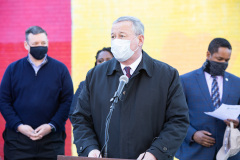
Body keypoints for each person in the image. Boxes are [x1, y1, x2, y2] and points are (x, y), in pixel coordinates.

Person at [72, 16, 189, 160]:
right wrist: (90, 148)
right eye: (113, 36)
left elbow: (178, 121)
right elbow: (80, 118)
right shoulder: (95, 75)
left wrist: (155, 153)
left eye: (122, 36)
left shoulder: (167, 75)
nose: (116, 41)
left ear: (140, 40)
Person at [0, 26, 73, 160]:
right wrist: (19, 126)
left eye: (43, 43)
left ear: (48, 42)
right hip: (17, 144)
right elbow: (3, 101)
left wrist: (51, 125)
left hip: (51, 143)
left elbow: (68, 101)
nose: (40, 47)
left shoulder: (60, 69)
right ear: (26, 45)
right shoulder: (12, 70)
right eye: (35, 44)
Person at [175, 38, 240, 160]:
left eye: (227, 60)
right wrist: (192, 134)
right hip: (194, 153)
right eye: (219, 59)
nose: (223, 63)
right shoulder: (185, 81)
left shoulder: (237, 83)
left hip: (229, 155)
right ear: (208, 54)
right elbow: (174, 115)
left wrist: (238, 123)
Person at [69, 47, 113, 122]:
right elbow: (74, 113)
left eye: (108, 60)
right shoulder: (85, 85)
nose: (104, 63)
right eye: (100, 61)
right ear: (96, 64)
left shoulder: (122, 83)